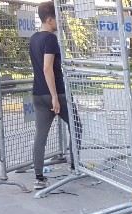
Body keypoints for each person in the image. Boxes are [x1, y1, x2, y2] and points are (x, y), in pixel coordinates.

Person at [29, 1, 80, 190]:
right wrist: (55, 98)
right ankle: (76, 166)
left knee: (40, 135)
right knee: (77, 126)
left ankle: (39, 177)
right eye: (57, 18)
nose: (59, 21)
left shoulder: (33, 38)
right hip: (55, 92)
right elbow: (47, 67)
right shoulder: (50, 39)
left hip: (37, 93)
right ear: (49, 19)